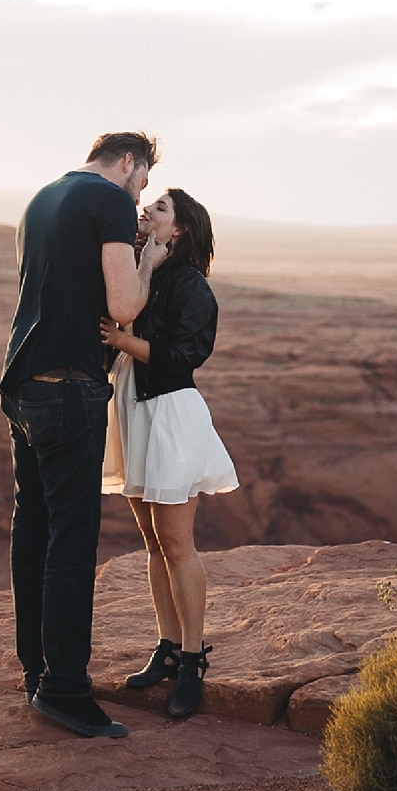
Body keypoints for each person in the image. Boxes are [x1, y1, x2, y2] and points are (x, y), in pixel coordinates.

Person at [0, 131, 165, 739]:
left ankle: (34, 673)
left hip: (22, 384)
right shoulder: (110, 199)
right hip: (69, 389)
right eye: (142, 181)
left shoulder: (42, 197)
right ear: (129, 163)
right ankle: (65, 690)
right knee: (71, 541)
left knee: (34, 531)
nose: (139, 194)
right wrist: (148, 259)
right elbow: (123, 306)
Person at [100, 187, 237, 720]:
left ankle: (192, 659)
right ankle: (166, 646)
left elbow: (184, 358)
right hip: (135, 412)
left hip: (171, 417)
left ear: (178, 229)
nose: (146, 211)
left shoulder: (191, 286)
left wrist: (120, 340)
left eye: (159, 208)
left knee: (178, 545)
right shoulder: (142, 269)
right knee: (154, 546)